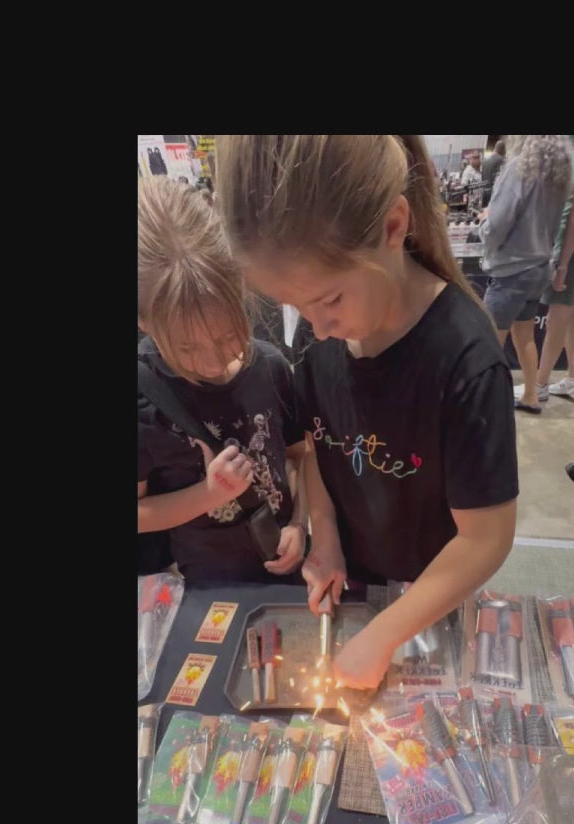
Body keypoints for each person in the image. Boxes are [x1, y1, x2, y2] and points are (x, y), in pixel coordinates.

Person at [216, 135, 518, 692]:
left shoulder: (465, 362)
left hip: (431, 598)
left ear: (393, 227)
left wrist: (385, 636)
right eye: (296, 307)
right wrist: (325, 534)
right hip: (357, 582)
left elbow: (485, 539)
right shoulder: (319, 338)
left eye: (330, 300)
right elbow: (319, 447)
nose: (318, 326)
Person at [136, 176, 310, 584]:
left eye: (228, 334)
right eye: (187, 348)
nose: (214, 363)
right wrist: (210, 495)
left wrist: (299, 523)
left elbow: (301, 457)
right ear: (144, 322)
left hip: (290, 565)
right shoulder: (144, 397)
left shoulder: (270, 366)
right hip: (210, 583)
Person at [476, 136, 574, 414]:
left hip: (512, 270)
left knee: (486, 342)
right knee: (524, 336)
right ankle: (531, 395)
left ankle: (485, 408)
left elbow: (497, 225)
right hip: (538, 268)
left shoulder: (520, 167)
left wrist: (484, 224)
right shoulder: (556, 173)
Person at [539, 134, 574, 397]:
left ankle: (538, 385)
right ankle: (573, 376)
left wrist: (562, 264)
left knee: (557, 316)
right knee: (569, 313)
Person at [480, 140, 506, 208]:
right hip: (494, 192)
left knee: (485, 211)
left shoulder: (485, 160)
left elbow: (482, 175)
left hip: (484, 191)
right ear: (502, 149)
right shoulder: (501, 160)